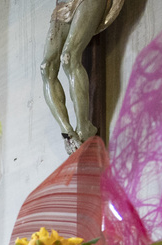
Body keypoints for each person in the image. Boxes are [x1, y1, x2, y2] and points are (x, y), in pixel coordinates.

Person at [40, 0, 125, 153]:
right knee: (46, 68)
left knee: (69, 57)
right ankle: (68, 133)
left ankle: (84, 127)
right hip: (63, 4)